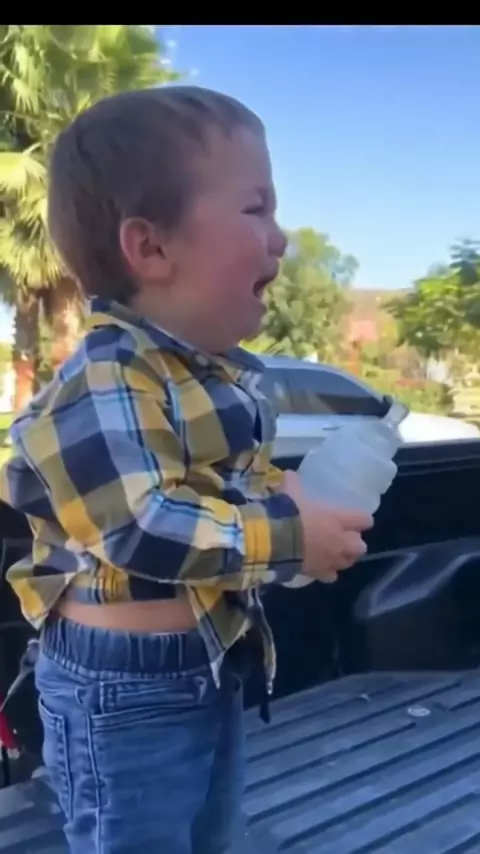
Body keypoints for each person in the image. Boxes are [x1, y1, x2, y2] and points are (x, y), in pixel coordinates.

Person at [0, 86, 372, 854]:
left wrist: (288, 499)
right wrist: (287, 536)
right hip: (121, 689)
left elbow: (225, 489)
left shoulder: (211, 375)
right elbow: (143, 527)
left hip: (205, 664)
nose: (281, 239)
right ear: (151, 249)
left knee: (212, 836)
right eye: (257, 208)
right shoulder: (107, 377)